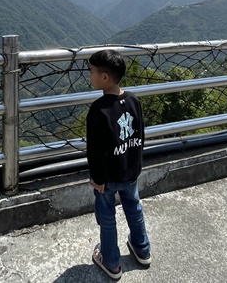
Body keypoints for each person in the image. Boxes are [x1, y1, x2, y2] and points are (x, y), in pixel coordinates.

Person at [86, 49, 151, 280]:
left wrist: (98, 179)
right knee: (134, 209)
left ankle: (111, 262)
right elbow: (139, 137)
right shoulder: (133, 100)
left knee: (107, 218)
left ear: (104, 77)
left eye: (92, 72)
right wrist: (136, 165)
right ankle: (142, 249)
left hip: (108, 179)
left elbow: (96, 152)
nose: (89, 76)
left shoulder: (99, 110)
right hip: (130, 171)